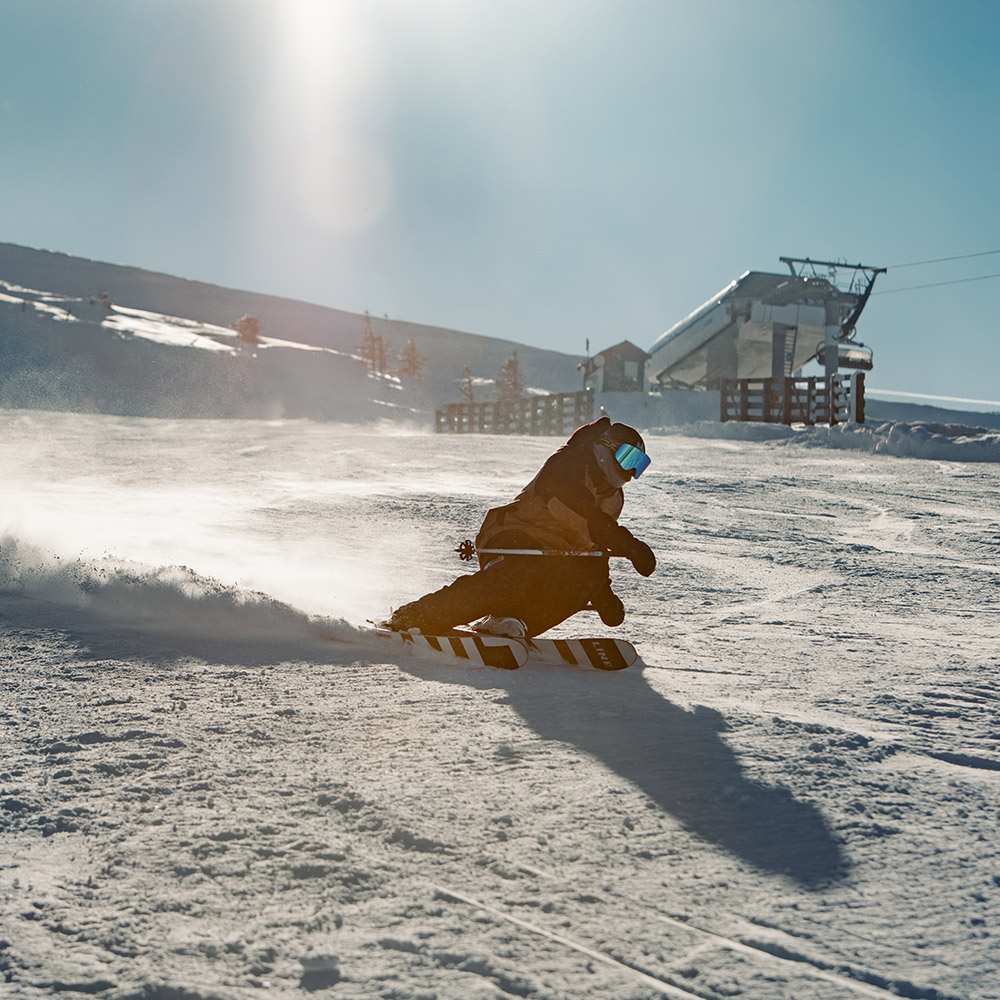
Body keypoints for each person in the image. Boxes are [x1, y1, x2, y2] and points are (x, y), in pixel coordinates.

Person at [381, 416, 656, 638]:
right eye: (627, 459)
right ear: (604, 448)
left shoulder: (613, 498)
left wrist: (601, 592)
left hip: (555, 555)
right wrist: (630, 547)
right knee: (515, 578)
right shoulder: (568, 464)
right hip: (514, 536)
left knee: (583, 579)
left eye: (638, 466)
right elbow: (590, 518)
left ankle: (512, 621)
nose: (630, 472)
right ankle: (417, 616)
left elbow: (593, 549)